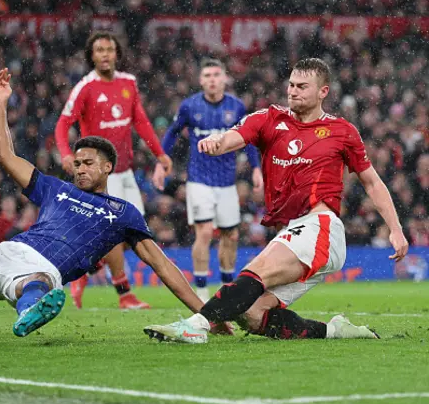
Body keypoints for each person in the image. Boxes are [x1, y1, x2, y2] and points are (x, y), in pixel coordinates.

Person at [0, 68, 208, 339]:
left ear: (107, 168)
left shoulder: (122, 211)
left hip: (46, 268)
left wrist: (207, 314)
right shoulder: (53, 187)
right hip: (6, 251)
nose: (80, 168)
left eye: (88, 163)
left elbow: (162, 265)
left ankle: (29, 310)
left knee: (36, 283)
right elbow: (4, 156)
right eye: (77, 163)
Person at [144, 58, 409, 344]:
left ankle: (197, 326)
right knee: (252, 313)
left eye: (302, 87)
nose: (293, 91)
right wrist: (217, 142)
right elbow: (235, 136)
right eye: (291, 85)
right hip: (294, 230)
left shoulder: (342, 131)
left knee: (256, 272)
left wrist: (395, 228)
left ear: (323, 91)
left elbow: (372, 181)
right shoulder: (269, 118)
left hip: (321, 227)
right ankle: (335, 330)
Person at [55, 31, 173, 310]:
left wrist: (160, 153)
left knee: (135, 233)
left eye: (109, 49)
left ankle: (87, 269)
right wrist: (65, 154)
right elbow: (62, 124)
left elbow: (141, 122)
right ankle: (124, 294)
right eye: (99, 50)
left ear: (117, 53)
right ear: (91, 56)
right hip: (101, 175)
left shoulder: (128, 83)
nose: (105, 54)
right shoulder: (85, 87)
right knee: (119, 230)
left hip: (125, 171)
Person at [152, 58, 263, 302]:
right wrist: (162, 163)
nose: (212, 79)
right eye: (207, 75)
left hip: (226, 183)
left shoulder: (236, 107)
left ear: (224, 79)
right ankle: (201, 291)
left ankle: (226, 289)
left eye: (216, 75)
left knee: (231, 236)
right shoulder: (190, 106)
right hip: (199, 181)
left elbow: (248, 139)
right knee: (203, 233)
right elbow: (171, 133)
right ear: (201, 80)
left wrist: (256, 168)